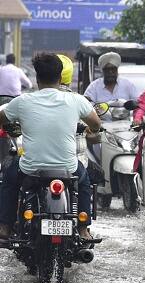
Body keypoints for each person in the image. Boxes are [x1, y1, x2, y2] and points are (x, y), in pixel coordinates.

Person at [0, 53, 102, 242]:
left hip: (31, 169)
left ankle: (5, 227)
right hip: (68, 168)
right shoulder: (77, 100)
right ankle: (83, 229)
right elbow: (96, 124)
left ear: (37, 78)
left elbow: (2, 117)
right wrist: (90, 128)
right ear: (60, 76)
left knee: (9, 179)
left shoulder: (22, 102)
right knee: (85, 181)